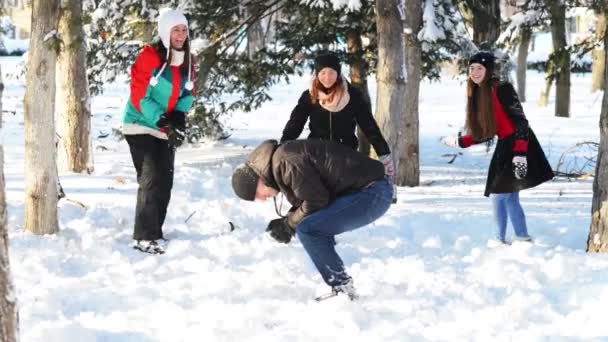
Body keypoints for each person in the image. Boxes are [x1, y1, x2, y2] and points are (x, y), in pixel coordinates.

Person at [231, 139, 393, 300]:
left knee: (309, 230)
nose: (261, 199)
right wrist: (289, 219)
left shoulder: (286, 162)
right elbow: (311, 196)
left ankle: (342, 287)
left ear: (258, 179)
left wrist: (290, 224)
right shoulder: (281, 161)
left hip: (373, 193)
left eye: (256, 194)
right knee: (314, 225)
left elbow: (316, 201)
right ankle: (341, 286)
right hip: (370, 190)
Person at [441, 51, 554, 245]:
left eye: (480, 68)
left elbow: (521, 122)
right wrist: (461, 142)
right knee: (510, 196)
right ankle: (522, 238)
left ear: (489, 69)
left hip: (520, 144)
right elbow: (487, 132)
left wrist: (520, 154)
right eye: (472, 68)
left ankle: (498, 240)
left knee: (498, 195)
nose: (475, 72)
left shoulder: (503, 88)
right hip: (504, 145)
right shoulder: (478, 94)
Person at [121, 8, 195, 254]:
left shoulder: (188, 59)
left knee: (165, 181)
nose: (181, 35)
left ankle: (155, 232)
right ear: (165, 32)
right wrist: (162, 119)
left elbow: (189, 92)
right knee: (152, 179)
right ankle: (143, 236)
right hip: (140, 124)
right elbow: (140, 94)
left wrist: (178, 114)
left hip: (165, 126)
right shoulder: (150, 56)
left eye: (184, 30)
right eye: (176, 30)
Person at [280, 52, 396, 184]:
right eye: (323, 72)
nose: (327, 77)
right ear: (317, 74)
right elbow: (296, 122)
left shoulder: (352, 95)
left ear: (338, 73)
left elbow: (369, 126)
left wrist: (384, 154)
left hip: (346, 157)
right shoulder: (310, 96)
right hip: (317, 156)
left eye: (331, 72)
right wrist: (283, 145)